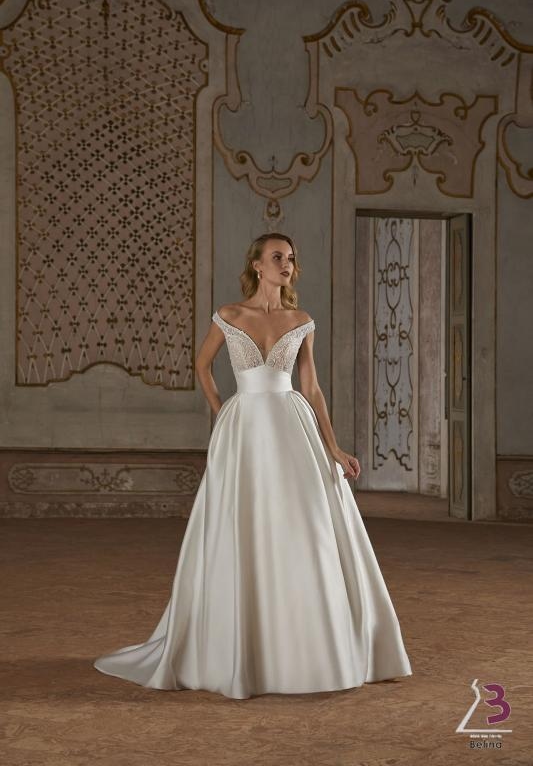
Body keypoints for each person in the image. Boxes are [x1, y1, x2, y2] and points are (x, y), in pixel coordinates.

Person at [93, 232, 412, 699]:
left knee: (306, 528)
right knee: (243, 525)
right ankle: (246, 651)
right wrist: (222, 411)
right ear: (257, 265)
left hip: (292, 425)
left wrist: (334, 448)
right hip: (244, 427)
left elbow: (312, 389)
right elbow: (202, 365)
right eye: (277, 257)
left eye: (291, 258)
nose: (287, 264)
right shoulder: (229, 315)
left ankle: (313, 648)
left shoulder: (301, 321)